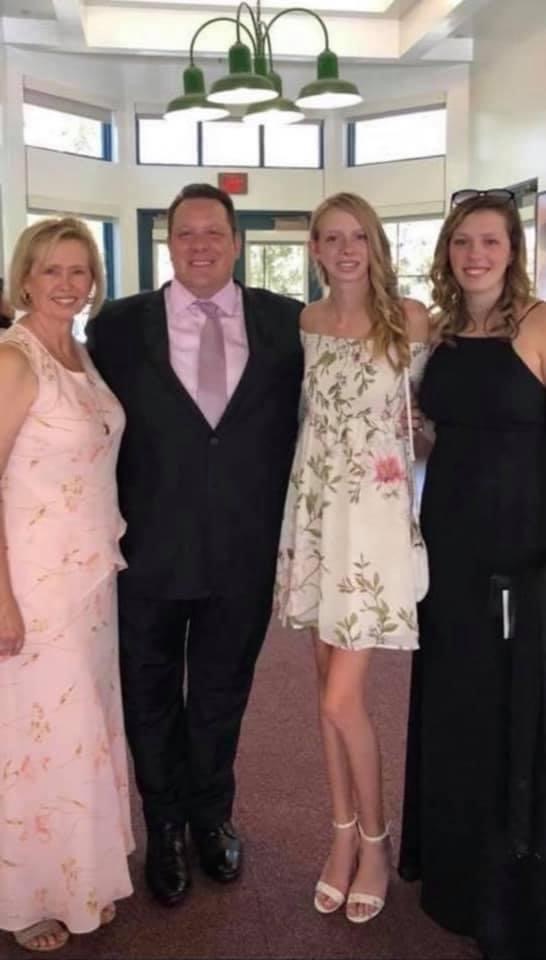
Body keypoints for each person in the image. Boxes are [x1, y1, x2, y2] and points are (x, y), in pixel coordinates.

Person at [86, 183, 303, 907]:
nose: (200, 245)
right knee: (148, 696)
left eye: (214, 232)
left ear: (237, 242)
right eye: (186, 234)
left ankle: (213, 817)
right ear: (168, 243)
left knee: (218, 697)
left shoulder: (288, 325)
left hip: (243, 555)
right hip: (146, 551)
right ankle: (167, 828)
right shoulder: (118, 327)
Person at [398, 188, 546, 960]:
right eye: (463, 242)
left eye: (490, 241)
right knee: (455, 700)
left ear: (512, 249)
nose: (476, 254)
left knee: (510, 712)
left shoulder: (539, 323)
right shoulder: (445, 332)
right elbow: (431, 434)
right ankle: (454, 872)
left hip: (524, 552)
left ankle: (510, 890)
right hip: (448, 548)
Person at [276, 192, 429, 923]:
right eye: (330, 238)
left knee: (345, 698)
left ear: (374, 244)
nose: (344, 250)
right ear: (314, 248)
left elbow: (435, 414)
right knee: (323, 698)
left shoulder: (411, 319)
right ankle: (338, 837)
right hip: (314, 518)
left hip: (372, 525)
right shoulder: (305, 323)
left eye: (356, 237)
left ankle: (376, 841)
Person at [0, 217, 134, 952]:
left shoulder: (79, 353)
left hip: (88, 574)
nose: (67, 284)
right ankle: (26, 897)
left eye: (79, 271)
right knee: (32, 738)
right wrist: (2, 597)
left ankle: (79, 876)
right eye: (52, 270)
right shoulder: (14, 360)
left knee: (80, 730)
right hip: (31, 577)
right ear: (25, 277)